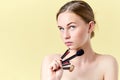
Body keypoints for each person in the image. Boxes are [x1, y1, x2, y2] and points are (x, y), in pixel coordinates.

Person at [41, 0, 118, 80]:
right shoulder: (51, 62)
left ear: (90, 27)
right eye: (61, 28)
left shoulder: (107, 63)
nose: (65, 36)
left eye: (72, 27)